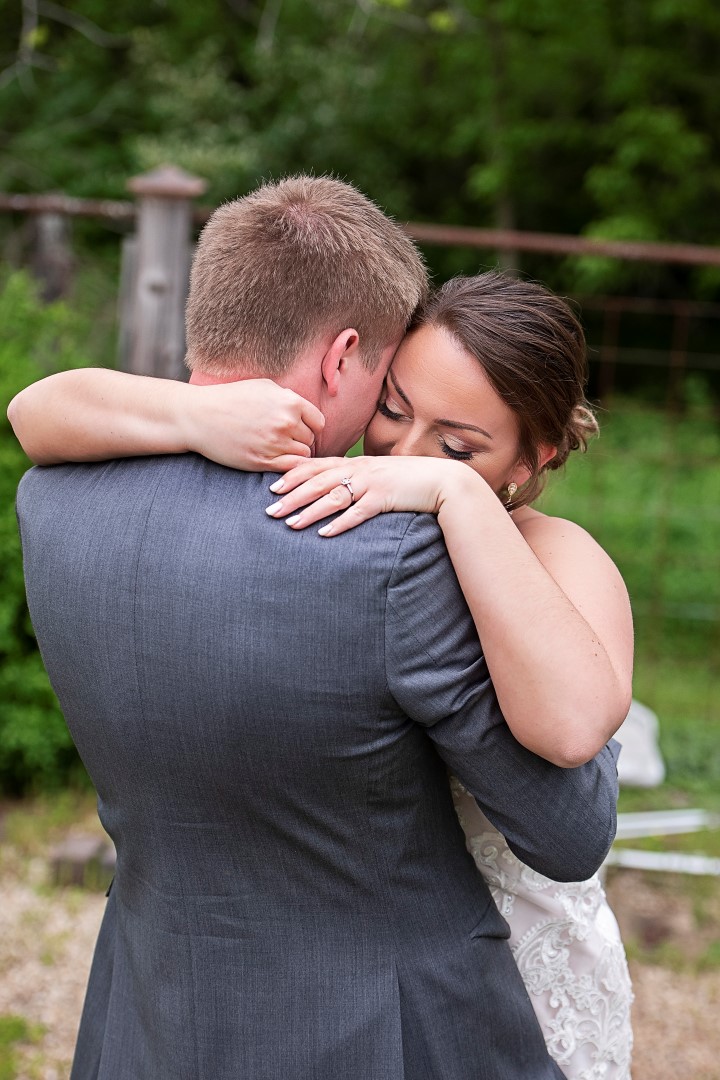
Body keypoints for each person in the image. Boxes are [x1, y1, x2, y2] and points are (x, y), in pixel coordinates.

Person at [12, 178, 621, 1080]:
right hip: (381, 1030)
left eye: (456, 449)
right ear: (348, 361)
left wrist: (455, 497)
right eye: (393, 405)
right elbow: (570, 829)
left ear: (532, 460)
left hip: (146, 1014)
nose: (403, 459)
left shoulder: (53, 501)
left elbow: (33, 415)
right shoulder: (382, 559)